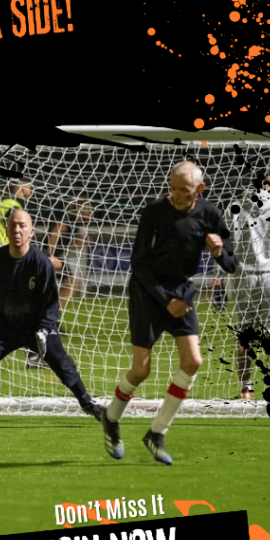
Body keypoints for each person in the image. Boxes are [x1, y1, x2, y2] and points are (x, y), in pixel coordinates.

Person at [102, 161, 237, 465]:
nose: (175, 195)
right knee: (140, 371)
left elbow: (231, 264)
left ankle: (156, 433)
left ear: (199, 189)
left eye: (183, 190)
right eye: (172, 188)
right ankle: (110, 418)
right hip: (148, 292)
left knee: (193, 361)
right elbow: (139, 264)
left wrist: (218, 251)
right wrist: (165, 301)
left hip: (181, 291)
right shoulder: (153, 212)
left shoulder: (212, 215)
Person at [0, 208, 104, 426]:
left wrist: (45, 329)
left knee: (62, 362)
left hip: (36, 328)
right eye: (13, 225)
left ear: (31, 232)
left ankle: (88, 403)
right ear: (6, 230)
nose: (17, 230)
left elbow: (51, 303)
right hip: (5, 328)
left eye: (22, 226)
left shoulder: (41, 262)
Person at [227, 166, 270, 398]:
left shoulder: (235, 207)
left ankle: (246, 388)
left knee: (245, 335)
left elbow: (226, 244)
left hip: (245, 276)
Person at [0, 181, 33, 245]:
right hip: (4, 244)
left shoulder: (4, 202)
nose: (32, 190)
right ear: (23, 188)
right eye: (30, 188)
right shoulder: (12, 204)